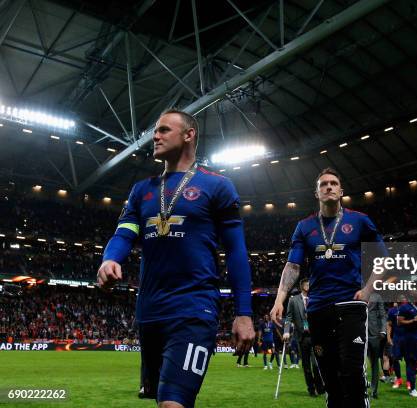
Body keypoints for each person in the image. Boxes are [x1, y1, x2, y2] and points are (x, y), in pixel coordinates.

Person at [97, 109, 255, 408]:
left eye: (164, 130)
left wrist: (244, 312)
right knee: (164, 401)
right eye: (155, 131)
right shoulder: (141, 190)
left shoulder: (217, 186)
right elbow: (124, 234)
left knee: (173, 403)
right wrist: (110, 259)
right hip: (149, 313)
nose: (155, 136)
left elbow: (236, 252)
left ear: (188, 134)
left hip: (194, 309)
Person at [270, 167, 384, 408]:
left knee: (352, 375)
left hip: (350, 304)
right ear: (316, 193)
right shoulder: (304, 226)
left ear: (341, 191)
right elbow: (293, 266)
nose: (329, 187)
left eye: (333, 183)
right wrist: (279, 299)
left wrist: (368, 289)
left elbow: (383, 258)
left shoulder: (359, 220)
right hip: (318, 307)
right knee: (330, 378)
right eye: (323, 184)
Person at [282, 278, 325, 396]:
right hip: (302, 337)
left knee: (317, 364)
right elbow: (289, 317)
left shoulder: (316, 298)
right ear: (301, 286)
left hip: (316, 336)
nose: (308, 286)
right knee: (306, 367)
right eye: (306, 284)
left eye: (309, 284)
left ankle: (320, 387)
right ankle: (311, 389)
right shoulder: (293, 300)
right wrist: (286, 331)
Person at [367, 292, 387, 399]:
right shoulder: (357, 294)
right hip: (359, 332)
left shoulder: (377, 296)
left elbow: (382, 314)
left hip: (374, 333)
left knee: (375, 363)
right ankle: (361, 388)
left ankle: (374, 391)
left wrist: (383, 330)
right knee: (358, 363)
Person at [386, 301, 405, 389]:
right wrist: (389, 337)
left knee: (410, 359)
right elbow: (389, 324)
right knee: (394, 358)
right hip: (396, 338)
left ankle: (410, 382)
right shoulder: (392, 311)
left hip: (408, 337)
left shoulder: (408, 308)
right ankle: (399, 379)